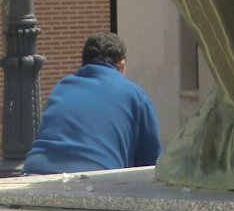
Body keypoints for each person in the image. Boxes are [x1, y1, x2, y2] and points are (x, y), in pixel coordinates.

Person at [22, 32, 161, 174]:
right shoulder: (135, 95)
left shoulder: (62, 87)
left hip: (34, 171)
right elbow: (150, 166)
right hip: (95, 177)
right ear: (121, 65)